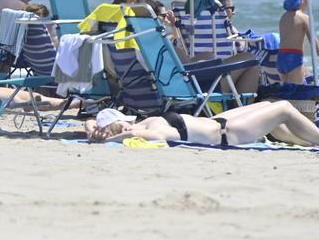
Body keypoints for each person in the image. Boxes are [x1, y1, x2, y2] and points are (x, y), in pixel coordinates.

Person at [85, 102, 319, 147]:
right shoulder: (148, 130)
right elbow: (158, 139)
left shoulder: (145, 122)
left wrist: (94, 130)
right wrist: (111, 138)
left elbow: (88, 121)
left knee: (270, 105)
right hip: (229, 133)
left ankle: (306, 143)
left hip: (221, 121)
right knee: (284, 108)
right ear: (121, 124)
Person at [279, 0, 312, 85]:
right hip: (294, 58)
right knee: (295, 95)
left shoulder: (284, 17)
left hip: (281, 58)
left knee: (288, 90)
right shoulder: (304, 18)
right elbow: (316, 47)